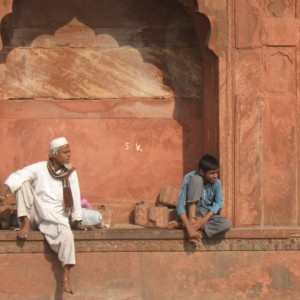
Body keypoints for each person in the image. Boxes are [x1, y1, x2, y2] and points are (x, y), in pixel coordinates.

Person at [0, 137, 89, 294]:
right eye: (65, 152)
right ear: (54, 154)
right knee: (23, 183)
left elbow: (75, 196)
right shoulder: (40, 168)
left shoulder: (71, 173)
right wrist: (3, 192)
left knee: (67, 236)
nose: (69, 155)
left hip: (55, 218)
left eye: (70, 152)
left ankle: (66, 275)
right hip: (35, 213)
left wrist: (77, 220)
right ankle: (25, 222)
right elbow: (18, 175)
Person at [168, 154, 231, 243]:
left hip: (203, 215)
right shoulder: (190, 177)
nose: (215, 176)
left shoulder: (216, 183)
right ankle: (190, 223)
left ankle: (183, 225)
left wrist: (203, 221)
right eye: (212, 173)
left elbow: (218, 203)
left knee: (226, 224)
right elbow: (180, 206)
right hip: (189, 211)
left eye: (217, 172)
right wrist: (190, 228)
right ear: (202, 172)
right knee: (197, 179)